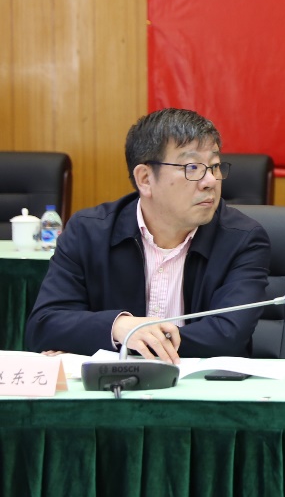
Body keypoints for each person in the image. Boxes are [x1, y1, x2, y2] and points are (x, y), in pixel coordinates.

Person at [25, 108, 270, 362]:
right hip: (112, 386)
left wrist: (130, 340)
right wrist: (119, 327)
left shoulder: (243, 240)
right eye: (193, 167)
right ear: (144, 179)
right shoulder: (88, 232)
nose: (210, 181)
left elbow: (228, 336)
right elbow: (44, 326)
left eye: (215, 166)